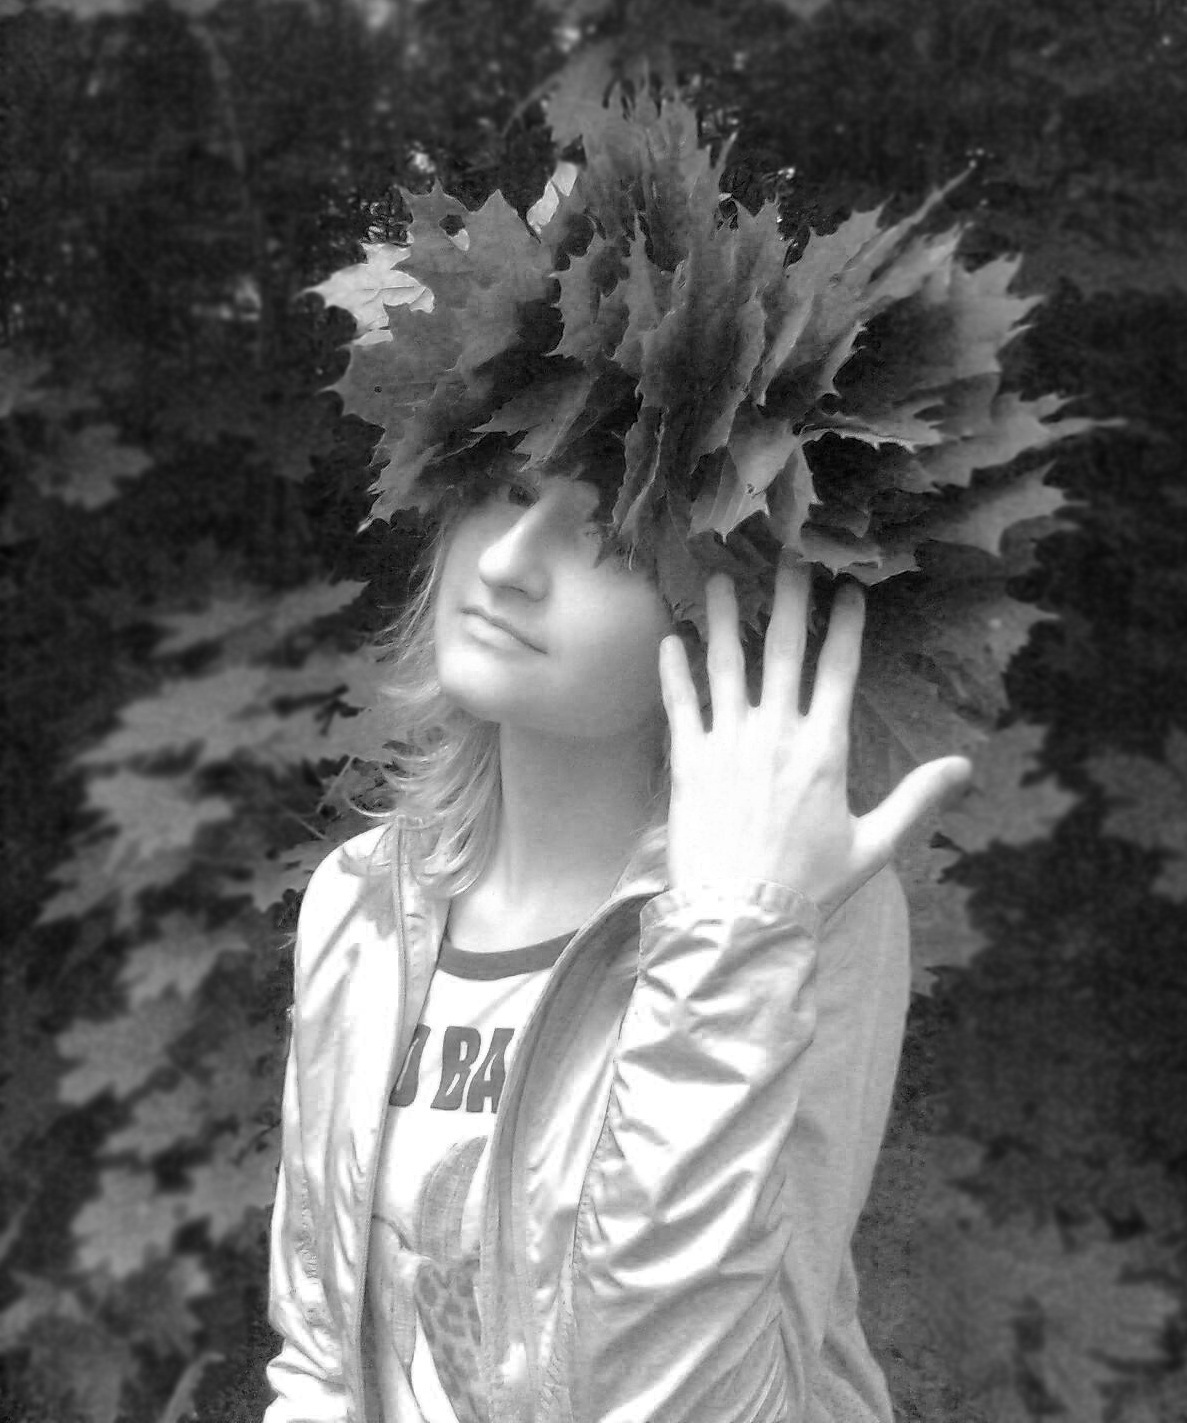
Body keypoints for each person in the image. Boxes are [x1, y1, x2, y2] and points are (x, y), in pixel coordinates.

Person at [262, 459, 972, 1423]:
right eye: (512, 491)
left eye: (614, 536)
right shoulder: (361, 895)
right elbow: (320, 1355)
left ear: (735, 619)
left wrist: (728, 938)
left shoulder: (805, 914)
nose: (508, 562)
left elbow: (685, 1400)